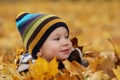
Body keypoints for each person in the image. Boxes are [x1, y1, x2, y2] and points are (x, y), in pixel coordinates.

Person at [15, 12, 88, 72]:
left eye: (66, 37)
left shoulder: (74, 59)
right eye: (57, 39)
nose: (66, 42)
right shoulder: (29, 69)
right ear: (38, 50)